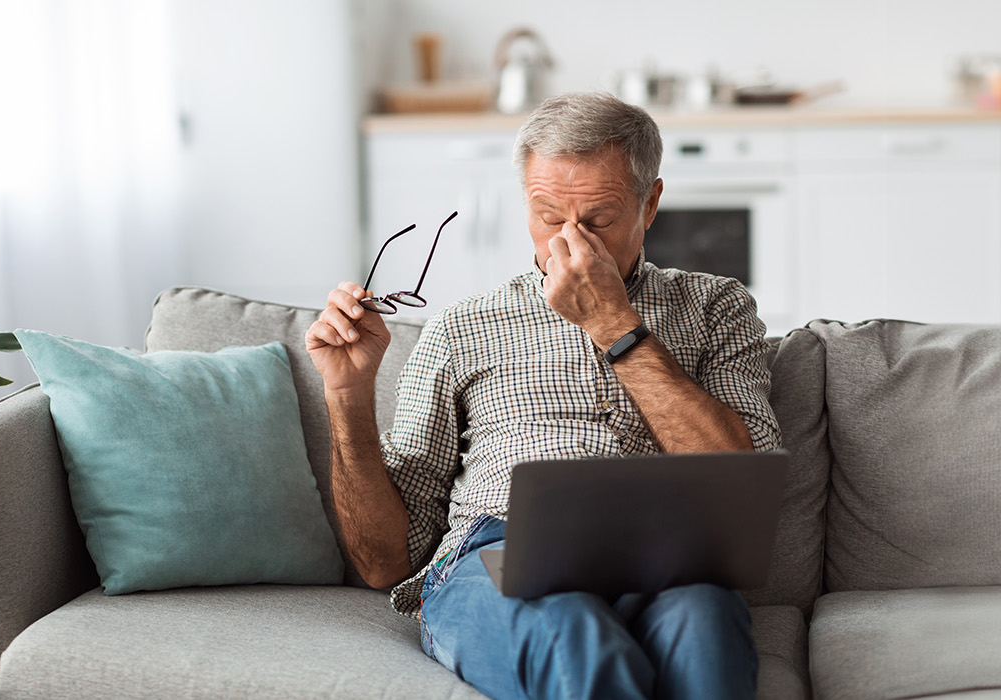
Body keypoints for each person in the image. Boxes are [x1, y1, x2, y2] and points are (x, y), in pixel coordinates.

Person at [303, 92, 782, 700]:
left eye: (599, 219)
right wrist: (346, 395)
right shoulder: (464, 327)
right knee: (572, 632)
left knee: (705, 627)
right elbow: (384, 563)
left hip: (663, 558)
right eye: (549, 216)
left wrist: (614, 325)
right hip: (499, 551)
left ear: (651, 204)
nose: (568, 243)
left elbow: (743, 480)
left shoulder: (716, 308)